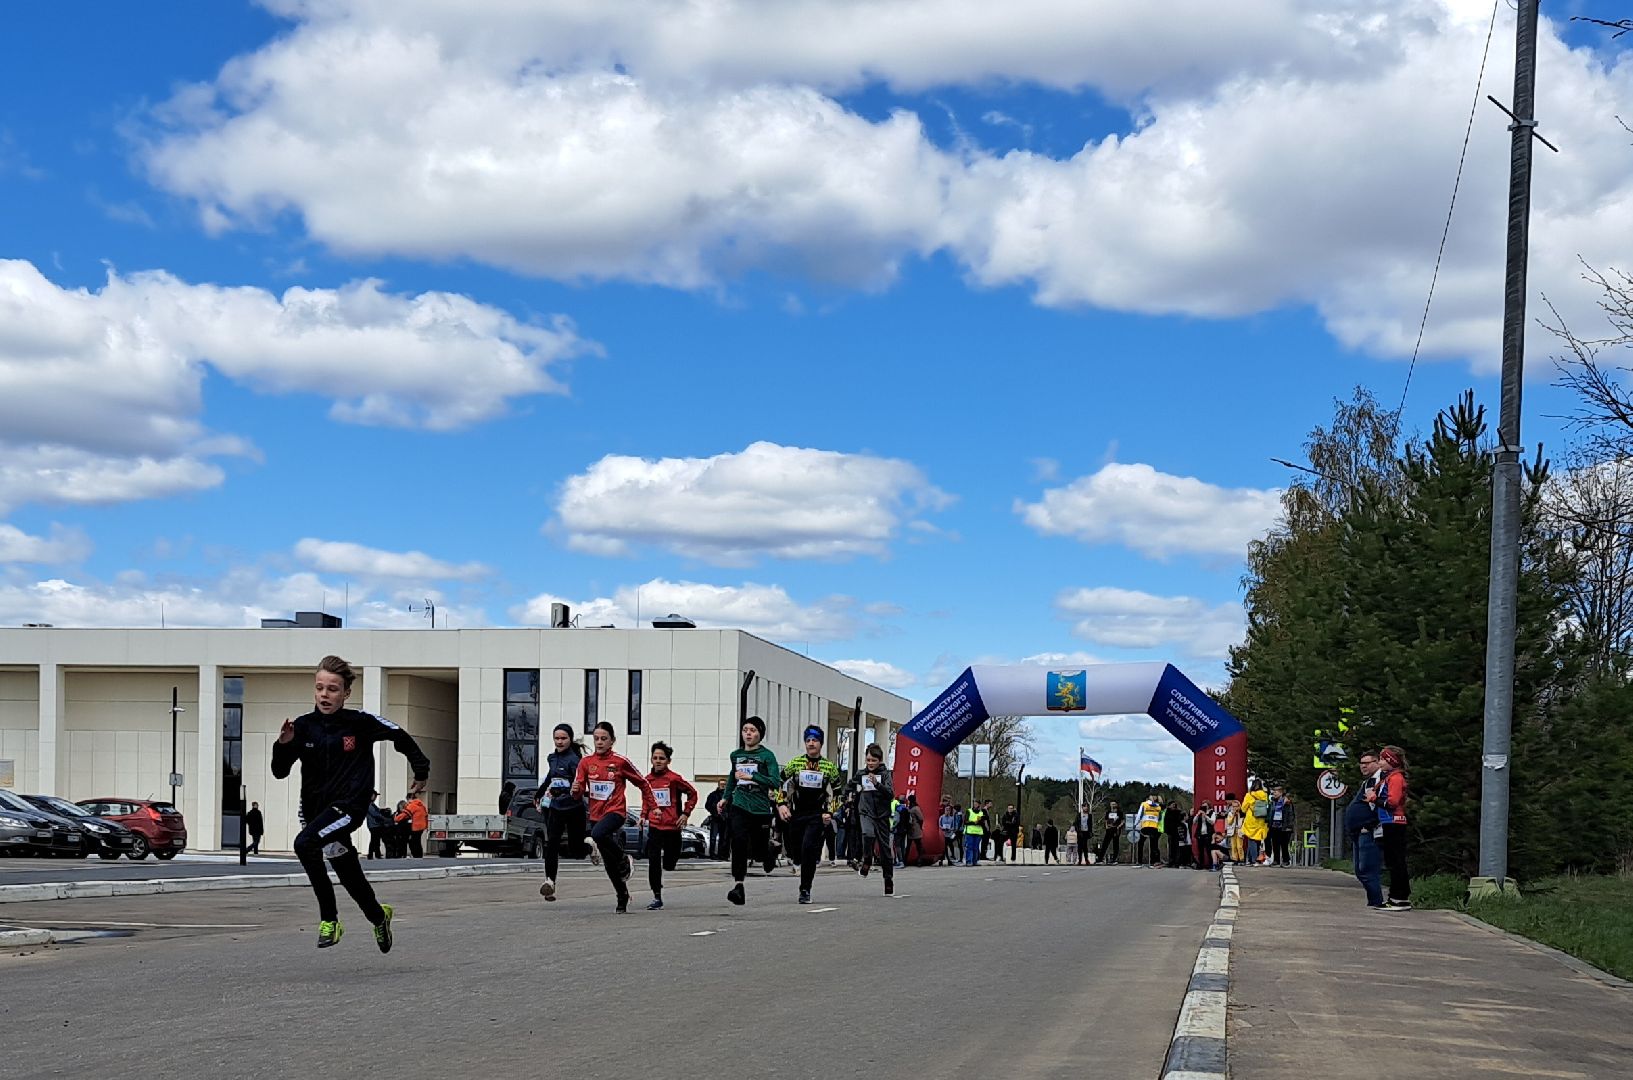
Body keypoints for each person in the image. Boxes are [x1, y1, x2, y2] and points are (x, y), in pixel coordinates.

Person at [271, 654, 429, 952]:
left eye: (332, 689)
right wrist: (283, 745)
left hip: (350, 806)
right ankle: (379, 916)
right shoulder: (303, 726)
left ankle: (329, 920)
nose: (324, 695)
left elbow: (399, 735)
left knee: (304, 845)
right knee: (348, 872)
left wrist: (421, 770)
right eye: (319, 688)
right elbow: (279, 772)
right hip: (316, 811)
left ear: (346, 693)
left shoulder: (360, 723)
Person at [571, 721, 653, 914]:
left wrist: (651, 807)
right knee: (608, 862)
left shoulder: (620, 762)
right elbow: (579, 790)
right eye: (596, 739)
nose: (599, 742)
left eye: (604, 739)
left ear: (612, 741)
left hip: (616, 812)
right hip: (596, 813)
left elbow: (643, 783)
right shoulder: (585, 763)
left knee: (598, 834)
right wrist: (575, 791)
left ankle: (624, 858)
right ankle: (622, 895)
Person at [778, 725, 842, 904]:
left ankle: (805, 889)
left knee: (809, 850)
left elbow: (838, 793)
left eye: (814, 740)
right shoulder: (795, 763)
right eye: (808, 740)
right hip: (797, 814)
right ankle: (796, 860)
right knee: (796, 849)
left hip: (817, 815)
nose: (811, 743)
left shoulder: (828, 767)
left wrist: (830, 811)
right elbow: (777, 782)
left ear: (820, 743)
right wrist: (781, 804)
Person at [724, 715, 780, 906]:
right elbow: (732, 777)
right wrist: (725, 798)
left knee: (758, 853)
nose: (748, 733)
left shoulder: (767, 756)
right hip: (739, 804)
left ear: (760, 734)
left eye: (753, 730)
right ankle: (738, 886)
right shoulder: (736, 755)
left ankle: (770, 850)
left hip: (760, 809)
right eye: (745, 730)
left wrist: (752, 776)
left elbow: (775, 782)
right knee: (738, 842)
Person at [641, 740, 698, 911]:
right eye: (655, 758)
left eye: (662, 758)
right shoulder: (647, 780)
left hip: (672, 827)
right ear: (651, 759)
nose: (658, 761)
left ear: (668, 761)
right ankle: (656, 896)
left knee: (670, 862)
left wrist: (686, 813)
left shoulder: (673, 779)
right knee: (654, 862)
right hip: (655, 826)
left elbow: (693, 794)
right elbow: (647, 801)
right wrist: (643, 816)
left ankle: (669, 862)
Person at [537, 724, 588, 902]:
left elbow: (581, 786)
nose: (559, 742)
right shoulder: (551, 758)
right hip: (557, 808)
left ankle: (590, 846)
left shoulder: (576, 761)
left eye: (563, 738)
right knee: (551, 845)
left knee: (577, 851)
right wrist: (539, 794)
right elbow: (551, 778)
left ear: (570, 739)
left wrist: (564, 792)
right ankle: (550, 883)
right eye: (556, 738)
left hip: (574, 809)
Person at [846, 742, 895, 894]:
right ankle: (867, 859)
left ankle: (888, 879)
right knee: (867, 834)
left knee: (885, 850)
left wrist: (877, 784)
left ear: (879, 760)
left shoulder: (886, 775)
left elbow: (890, 793)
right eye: (868, 760)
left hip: (882, 815)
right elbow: (850, 785)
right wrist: (847, 797)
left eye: (874, 760)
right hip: (865, 811)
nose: (871, 764)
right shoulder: (861, 774)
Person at [1372, 745, 1412, 910]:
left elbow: (1392, 802)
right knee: (1392, 860)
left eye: (1382, 759)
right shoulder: (1389, 777)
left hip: (1394, 822)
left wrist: (1375, 799)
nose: (1380, 762)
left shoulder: (1395, 778)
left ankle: (1399, 897)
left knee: (1396, 861)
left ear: (1391, 761)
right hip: (1389, 822)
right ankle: (1396, 897)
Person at [1345, 751, 1386, 909]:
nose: (1363, 766)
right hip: (1358, 832)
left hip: (1369, 832)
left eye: (1367, 763)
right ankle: (1374, 900)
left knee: (1367, 868)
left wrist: (1368, 825)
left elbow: (1380, 807)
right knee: (1360, 870)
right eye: (1361, 763)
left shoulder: (1379, 781)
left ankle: (1376, 901)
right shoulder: (1368, 782)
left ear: (1377, 763)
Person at [1240, 779, 1270, 865]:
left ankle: (1254, 859)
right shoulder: (1264, 795)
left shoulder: (1249, 795)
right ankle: (1249, 859)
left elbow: (1243, 808)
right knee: (1257, 840)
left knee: (1251, 839)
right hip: (1261, 819)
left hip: (1251, 819)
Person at [1267, 785, 1296, 867]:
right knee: (1275, 844)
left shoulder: (1287, 802)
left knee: (1284, 844)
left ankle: (1286, 860)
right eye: (1273, 792)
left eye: (1275, 792)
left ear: (1280, 792)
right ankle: (1276, 860)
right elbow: (1271, 813)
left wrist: (1289, 826)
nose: (1274, 794)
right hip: (1274, 825)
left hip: (1284, 826)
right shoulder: (1273, 802)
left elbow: (1290, 815)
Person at [1136, 794, 1164, 867]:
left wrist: (1136, 824)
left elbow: (1139, 815)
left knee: (1141, 843)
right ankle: (1153, 862)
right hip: (1154, 827)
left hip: (1145, 826)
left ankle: (1139, 861)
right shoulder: (1158, 807)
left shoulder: (1144, 804)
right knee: (1153, 845)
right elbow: (1160, 818)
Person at [704, 778, 728, 860]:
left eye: (724, 784)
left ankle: (722, 855)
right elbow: (707, 805)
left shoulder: (729, 796)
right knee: (713, 837)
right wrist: (714, 812)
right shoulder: (713, 795)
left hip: (725, 819)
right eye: (721, 784)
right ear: (718, 785)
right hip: (715, 818)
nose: (723, 785)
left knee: (724, 838)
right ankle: (712, 854)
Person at [401, 790, 429, 858]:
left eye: (407, 800)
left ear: (410, 798)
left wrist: (395, 818)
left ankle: (416, 855)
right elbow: (426, 815)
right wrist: (426, 825)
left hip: (415, 826)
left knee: (413, 841)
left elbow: (405, 814)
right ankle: (419, 855)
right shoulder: (421, 805)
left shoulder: (412, 805)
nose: (407, 802)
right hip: (422, 826)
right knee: (417, 841)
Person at [1164, 800, 1191, 868]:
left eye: (1174, 805)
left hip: (1177, 832)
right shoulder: (1167, 812)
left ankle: (1177, 862)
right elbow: (1166, 823)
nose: (1173, 806)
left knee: (1177, 848)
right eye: (1172, 805)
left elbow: (1181, 822)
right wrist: (1166, 831)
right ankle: (1171, 861)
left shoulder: (1178, 812)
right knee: (1171, 848)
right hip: (1170, 832)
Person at [365, 795, 393, 860]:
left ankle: (377, 854)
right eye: (374, 796)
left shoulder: (373, 805)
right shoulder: (369, 805)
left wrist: (382, 811)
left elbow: (378, 811)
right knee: (374, 839)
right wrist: (384, 819)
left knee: (376, 840)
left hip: (377, 824)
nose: (375, 798)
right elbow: (375, 814)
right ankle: (371, 854)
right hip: (373, 825)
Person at [901, 794, 925, 866]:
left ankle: (904, 860)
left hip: (909, 829)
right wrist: (920, 826)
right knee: (919, 846)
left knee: (908, 846)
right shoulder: (916, 808)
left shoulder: (908, 808)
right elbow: (921, 818)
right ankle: (919, 861)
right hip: (916, 828)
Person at [963, 799, 987, 867]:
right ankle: (969, 861)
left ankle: (975, 861)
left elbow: (983, 822)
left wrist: (980, 822)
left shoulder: (981, 813)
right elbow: (965, 821)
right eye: (974, 803)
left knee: (976, 848)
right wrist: (974, 822)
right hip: (970, 831)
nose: (975, 804)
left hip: (978, 832)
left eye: (977, 803)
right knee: (969, 847)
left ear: (979, 805)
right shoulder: (969, 811)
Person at [938, 802, 959, 866]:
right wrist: (943, 828)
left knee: (947, 847)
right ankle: (944, 860)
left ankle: (947, 859)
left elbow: (953, 826)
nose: (947, 811)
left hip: (949, 835)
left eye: (948, 810)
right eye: (946, 810)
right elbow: (939, 825)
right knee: (944, 848)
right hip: (943, 834)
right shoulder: (941, 817)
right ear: (944, 810)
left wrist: (950, 829)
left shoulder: (952, 818)